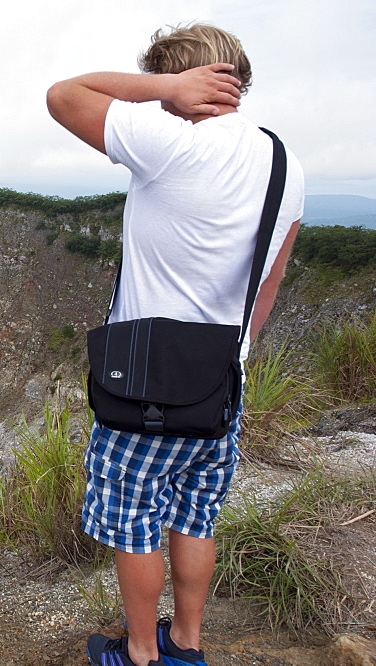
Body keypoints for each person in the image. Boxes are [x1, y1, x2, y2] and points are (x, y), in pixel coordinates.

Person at [46, 23, 304, 666]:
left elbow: (62, 94)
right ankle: (186, 645)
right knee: (195, 516)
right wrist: (228, 358)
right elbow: (266, 288)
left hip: (144, 381)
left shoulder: (171, 142)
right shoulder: (284, 162)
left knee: (135, 523)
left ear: (183, 83)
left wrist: (164, 90)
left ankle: (139, 654)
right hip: (222, 376)